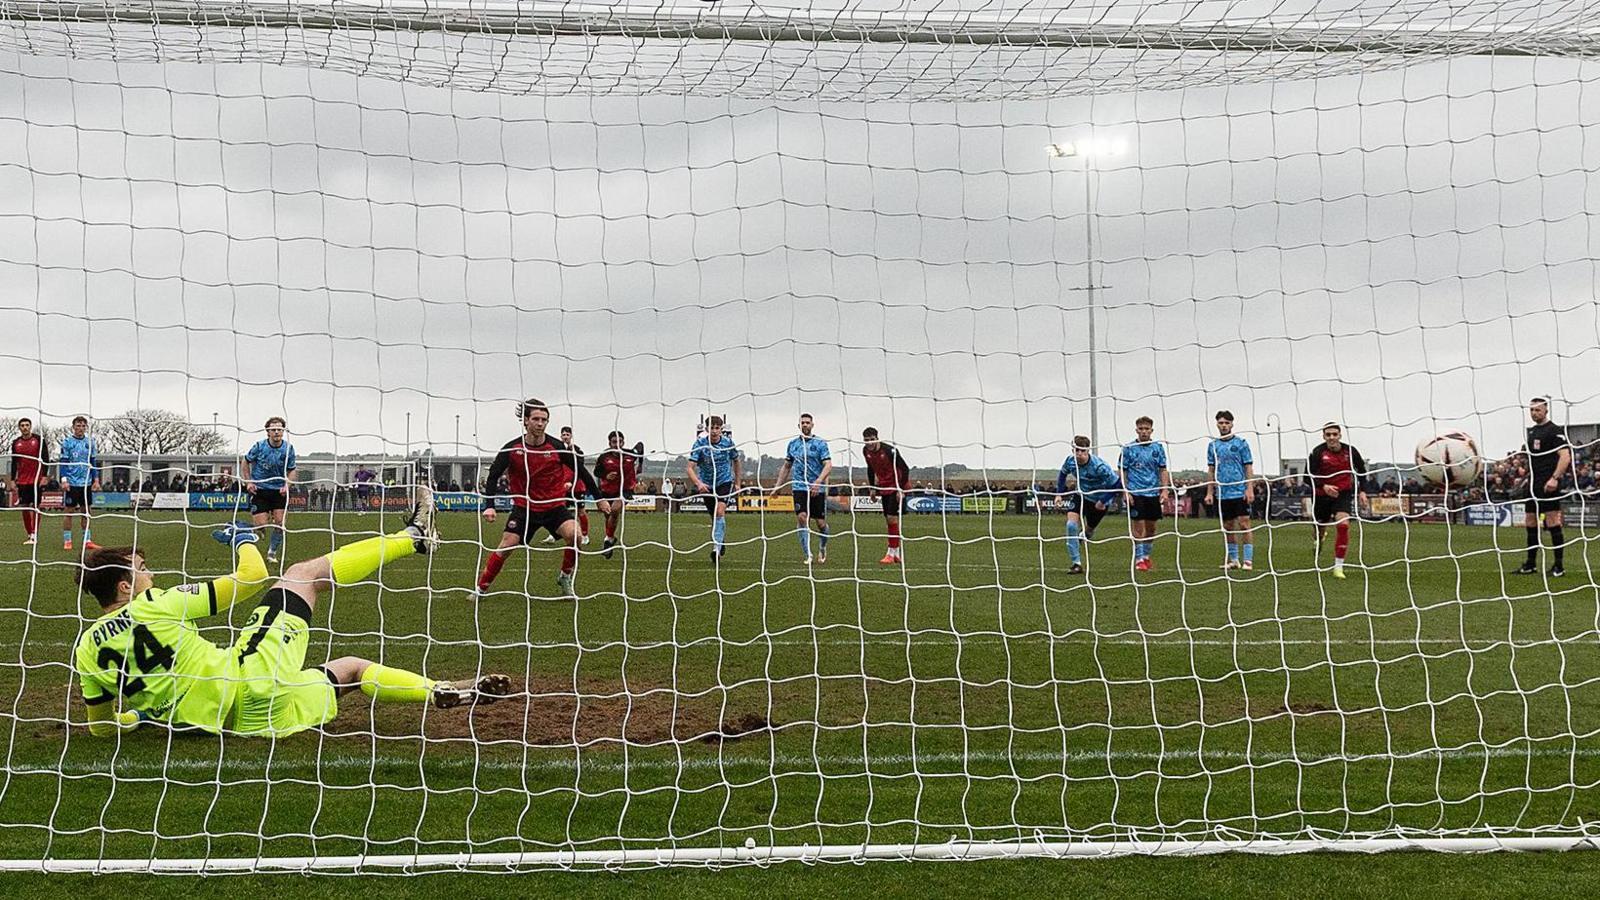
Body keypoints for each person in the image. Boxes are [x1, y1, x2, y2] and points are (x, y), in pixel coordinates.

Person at [73, 485, 510, 738]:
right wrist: (244, 539)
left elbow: (100, 728)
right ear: (125, 587)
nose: (150, 575)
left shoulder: (86, 649)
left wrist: (138, 715)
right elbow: (252, 577)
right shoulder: (157, 604)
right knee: (304, 573)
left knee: (352, 670)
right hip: (249, 680)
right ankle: (415, 536)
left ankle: (440, 690)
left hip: (241, 725)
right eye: (142, 571)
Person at [475, 399, 601, 599]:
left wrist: (599, 498)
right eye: (536, 419)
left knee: (575, 535)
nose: (540, 423)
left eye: (544, 419)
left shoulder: (557, 447)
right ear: (526, 421)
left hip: (554, 508)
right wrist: (489, 506)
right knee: (507, 546)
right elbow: (493, 476)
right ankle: (481, 589)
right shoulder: (512, 448)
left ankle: (565, 576)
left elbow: (582, 472)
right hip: (524, 508)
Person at [1517, 396, 1572, 577]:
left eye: (1538, 410)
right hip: (1533, 484)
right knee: (1530, 521)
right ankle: (1530, 564)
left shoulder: (1554, 431)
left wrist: (1554, 478)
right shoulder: (1532, 432)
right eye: (1531, 410)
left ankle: (1558, 566)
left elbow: (1565, 457)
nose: (1534, 413)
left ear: (1546, 410)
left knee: (1552, 521)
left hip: (1549, 484)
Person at [1307, 422, 1368, 579]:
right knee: (1318, 529)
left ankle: (1338, 567)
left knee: (1343, 525)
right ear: (1324, 436)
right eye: (1328, 435)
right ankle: (1319, 539)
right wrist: (1324, 485)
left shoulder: (1350, 451)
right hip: (1321, 495)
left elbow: (1361, 471)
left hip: (1343, 494)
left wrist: (1363, 491)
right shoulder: (1318, 452)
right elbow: (1307, 478)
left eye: (1335, 434)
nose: (1332, 437)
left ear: (1340, 435)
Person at [772, 414, 833, 564]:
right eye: (802, 423)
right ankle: (808, 554)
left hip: (816, 487)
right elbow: (786, 466)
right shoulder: (793, 444)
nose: (805, 425)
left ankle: (822, 547)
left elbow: (828, 465)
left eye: (808, 422)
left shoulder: (820, 444)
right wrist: (778, 486)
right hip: (799, 486)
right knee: (802, 517)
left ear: (812, 425)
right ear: (798, 426)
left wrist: (818, 482)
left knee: (820, 523)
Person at [1057, 435, 1121, 575]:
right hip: (1081, 496)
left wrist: (1103, 500)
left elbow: (1118, 484)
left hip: (1098, 501)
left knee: (1088, 532)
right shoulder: (1070, 461)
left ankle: (1084, 535)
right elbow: (1062, 475)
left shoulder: (1099, 467)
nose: (1079, 454)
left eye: (1082, 451)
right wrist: (1059, 494)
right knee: (1071, 525)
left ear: (1088, 451)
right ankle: (1076, 563)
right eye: (1076, 450)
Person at [1118, 416, 1171, 572]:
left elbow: (1163, 469)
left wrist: (1165, 489)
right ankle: (1139, 559)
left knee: (1152, 528)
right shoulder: (1128, 448)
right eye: (1141, 429)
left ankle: (1146, 557)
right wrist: (1125, 491)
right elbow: (1122, 471)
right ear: (1136, 430)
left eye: (1146, 429)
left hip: (1153, 493)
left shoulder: (1158, 448)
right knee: (1139, 527)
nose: (1144, 432)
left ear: (1151, 430)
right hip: (1136, 492)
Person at [1205, 410, 1257, 571]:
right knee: (1228, 526)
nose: (1224, 425)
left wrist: (1249, 488)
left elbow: (1248, 466)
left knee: (1244, 524)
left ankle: (1248, 560)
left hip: (1240, 491)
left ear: (1232, 424)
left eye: (1227, 423)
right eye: (1221, 423)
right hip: (1223, 493)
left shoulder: (1241, 443)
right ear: (1217, 424)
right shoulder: (1213, 445)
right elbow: (1211, 469)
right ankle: (1234, 559)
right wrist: (1209, 492)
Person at [687, 415, 742, 564]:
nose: (714, 431)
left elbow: (736, 461)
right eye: (712, 428)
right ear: (706, 429)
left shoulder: (728, 443)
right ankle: (720, 539)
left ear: (722, 429)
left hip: (724, 482)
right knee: (714, 517)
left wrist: (737, 482)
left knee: (720, 511)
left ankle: (716, 549)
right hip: (707, 485)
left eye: (717, 428)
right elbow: (690, 468)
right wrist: (698, 483)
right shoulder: (700, 444)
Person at [242, 416, 297, 563]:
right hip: (260, 490)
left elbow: (292, 470)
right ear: (268, 432)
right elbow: (245, 462)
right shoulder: (259, 446)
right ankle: (261, 527)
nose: (277, 432)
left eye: (280, 429)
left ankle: (272, 552)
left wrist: (287, 485)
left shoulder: (288, 448)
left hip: (279, 491)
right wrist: (249, 482)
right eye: (274, 430)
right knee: (261, 525)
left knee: (280, 523)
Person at [861, 427, 912, 564]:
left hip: (896, 485)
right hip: (883, 487)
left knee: (891, 517)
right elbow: (871, 469)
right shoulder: (866, 451)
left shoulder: (890, 451)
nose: (870, 443)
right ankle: (895, 553)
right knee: (889, 519)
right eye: (867, 440)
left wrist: (900, 489)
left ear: (877, 438)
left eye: (872, 440)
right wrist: (872, 488)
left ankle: (891, 552)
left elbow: (905, 468)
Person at [592, 431, 643, 560]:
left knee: (615, 510)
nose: (618, 445)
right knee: (608, 515)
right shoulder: (604, 457)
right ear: (610, 443)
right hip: (607, 490)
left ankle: (608, 540)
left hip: (625, 489)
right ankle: (610, 537)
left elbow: (640, 446)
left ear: (623, 442)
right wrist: (605, 475)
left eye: (620, 442)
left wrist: (640, 465)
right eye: (615, 442)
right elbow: (596, 471)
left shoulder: (631, 454)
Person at [58, 415, 100, 552]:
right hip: (72, 483)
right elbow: (63, 462)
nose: (80, 428)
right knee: (69, 512)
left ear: (86, 427)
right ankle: (67, 540)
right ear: (73, 427)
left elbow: (93, 462)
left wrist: (96, 480)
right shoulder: (67, 442)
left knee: (86, 512)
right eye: (78, 426)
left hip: (86, 483)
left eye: (83, 426)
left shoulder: (91, 442)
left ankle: (87, 540)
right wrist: (64, 480)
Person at [7, 417, 48, 546]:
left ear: (30, 427)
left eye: (27, 425)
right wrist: (13, 479)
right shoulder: (16, 443)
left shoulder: (39, 440)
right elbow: (14, 462)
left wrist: (44, 476)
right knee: (24, 507)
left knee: (36, 507)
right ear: (19, 428)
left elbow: (46, 458)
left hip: (36, 479)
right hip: (23, 480)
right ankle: (29, 533)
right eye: (22, 425)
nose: (25, 427)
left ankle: (35, 534)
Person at [558, 427, 591, 546]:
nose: (565, 436)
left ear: (571, 436)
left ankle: (585, 535)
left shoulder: (577, 451)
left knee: (581, 511)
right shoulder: (558, 450)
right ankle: (554, 534)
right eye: (563, 434)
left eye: (567, 434)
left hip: (577, 487)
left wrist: (571, 481)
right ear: (561, 437)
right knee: (558, 511)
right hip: (562, 487)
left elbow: (579, 470)